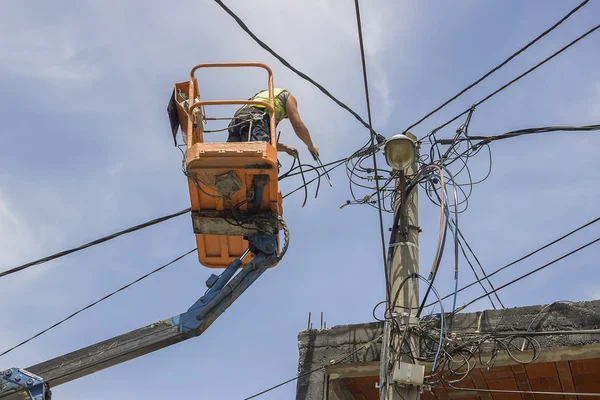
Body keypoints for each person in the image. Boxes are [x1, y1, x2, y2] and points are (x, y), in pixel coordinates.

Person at [227, 88, 319, 159]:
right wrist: (311, 146)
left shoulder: (266, 96)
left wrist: (285, 147)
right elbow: (298, 125)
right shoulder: (288, 97)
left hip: (237, 122)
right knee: (262, 162)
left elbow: (265, 141)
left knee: (233, 162)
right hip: (254, 119)